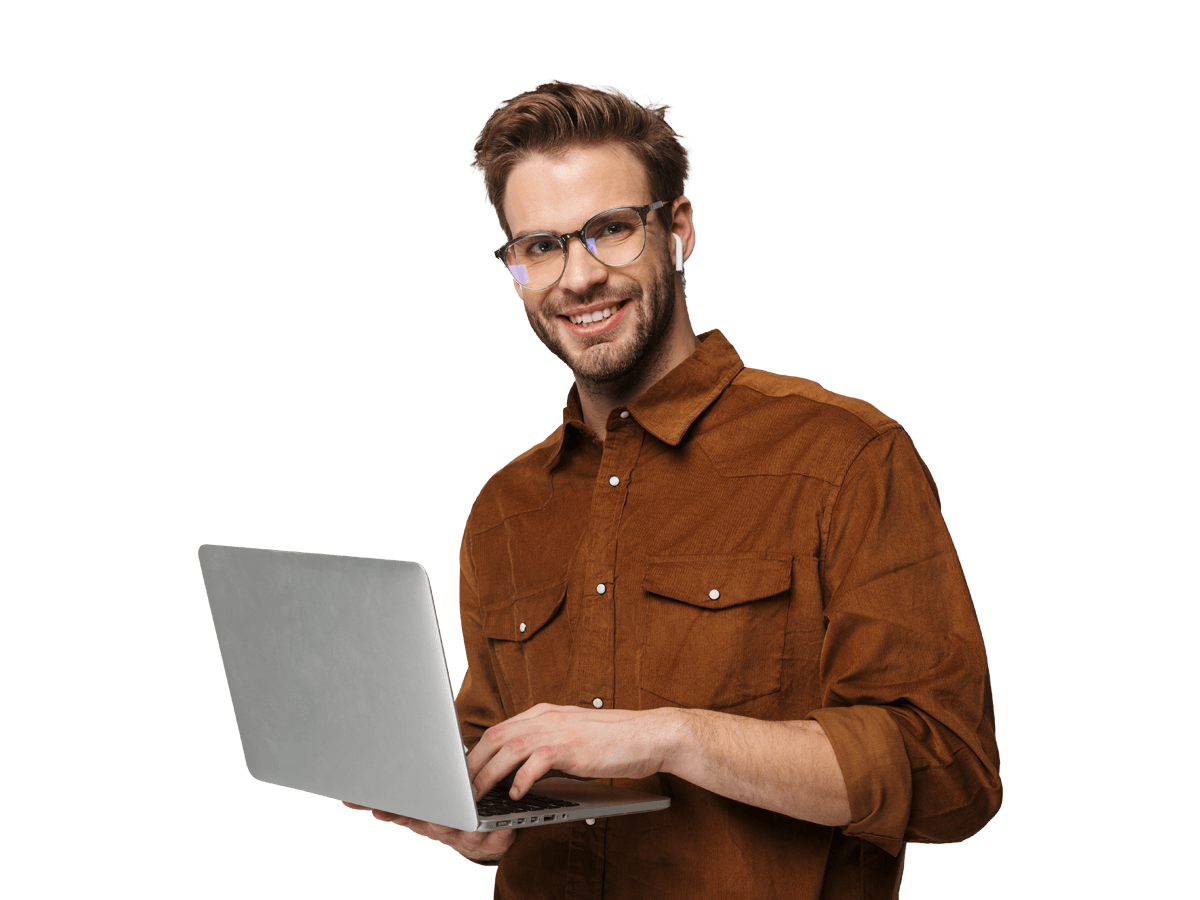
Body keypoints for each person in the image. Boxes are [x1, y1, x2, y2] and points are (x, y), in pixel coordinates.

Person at [345, 80, 1001, 898]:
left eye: (611, 230)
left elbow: (948, 776)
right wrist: (476, 824)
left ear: (679, 229)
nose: (577, 277)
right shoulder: (502, 509)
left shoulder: (845, 455)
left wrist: (669, 737)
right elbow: (500, 769)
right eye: (540, 246)